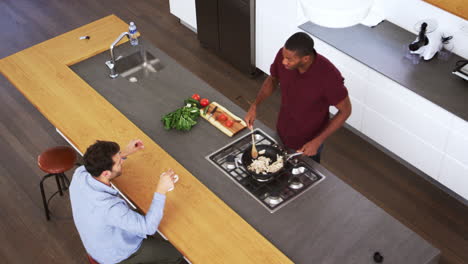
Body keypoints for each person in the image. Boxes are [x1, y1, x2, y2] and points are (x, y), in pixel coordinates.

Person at [69, 139, 183, 264]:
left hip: (97, 243)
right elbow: (148, 227)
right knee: (177, 252)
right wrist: (161, 190)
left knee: (143, 209)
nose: (121, 163)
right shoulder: (110, 208)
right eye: (118, 163)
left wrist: (123, 153)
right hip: (116, 256)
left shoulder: (80, 173)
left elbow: (99, 166)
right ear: (106, 173)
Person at [244, 32, 352, 163]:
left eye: (289, 59)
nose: (284, 61)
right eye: (284, 56)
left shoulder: (328, 77)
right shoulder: (284, 56)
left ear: (305, 59)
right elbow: (273, 79)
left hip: (308, 144)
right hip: (282, 131)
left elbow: (345, 111)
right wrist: (255, 105)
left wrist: (317, 141)